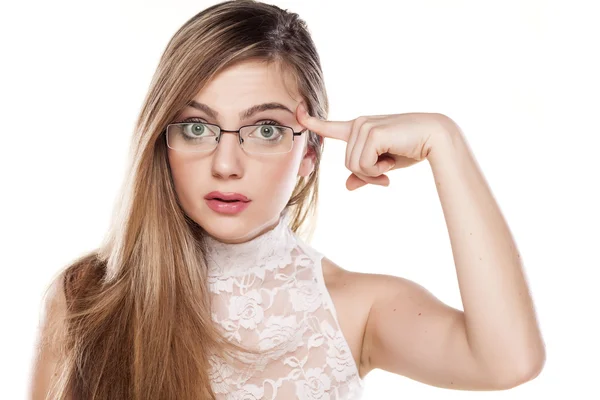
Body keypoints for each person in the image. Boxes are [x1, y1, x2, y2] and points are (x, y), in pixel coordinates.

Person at [28, 1, 546, 399]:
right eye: (196, 126)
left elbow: (509, 361)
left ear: (310, 152)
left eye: (267, 129)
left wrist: (444, 141)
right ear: (161, 142)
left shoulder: (358, 308)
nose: (226, 163)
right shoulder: (86, 297)